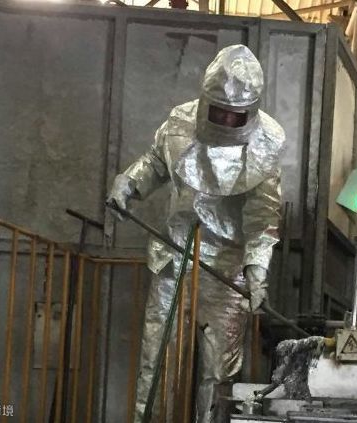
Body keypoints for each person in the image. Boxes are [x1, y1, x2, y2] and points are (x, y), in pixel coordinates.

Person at [107, 44, 285, 423]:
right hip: (175, 255)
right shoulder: (179, 125)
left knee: (220, 370)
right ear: (205, 103)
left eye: (234, 115)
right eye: (218, 111)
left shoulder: (264, 148)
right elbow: (156, 162)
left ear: (250, 112)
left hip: (226, 268)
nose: (225, 119)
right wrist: (130, 183)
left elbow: (263, 216)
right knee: (157, 358)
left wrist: (256, 271)